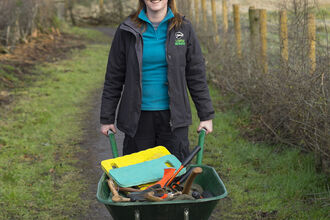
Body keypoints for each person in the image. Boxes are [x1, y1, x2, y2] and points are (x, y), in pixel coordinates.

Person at [100, 0, 214, 162]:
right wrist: (106, 118)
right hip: (138, 119)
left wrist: (205, 115)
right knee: (138, 178)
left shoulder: (183, 28)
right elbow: (114, 77)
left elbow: (196, 75)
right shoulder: (127, 29)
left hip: (174, 120)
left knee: (174, 179)